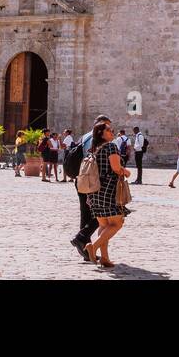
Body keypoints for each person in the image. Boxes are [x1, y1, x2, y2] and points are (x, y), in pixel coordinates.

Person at [84, 121, 130, 269]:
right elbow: (116, 168)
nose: (112, 132)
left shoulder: (95, 148)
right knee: (117, 223)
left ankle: (104, 258)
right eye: (109, 130)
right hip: (108, 190)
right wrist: (126, 172)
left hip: (94, 190)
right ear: (101, 133)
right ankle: (94, 246)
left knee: (104, 224)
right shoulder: (111, 146)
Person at [68, 114, 111, 260]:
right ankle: (82, 237)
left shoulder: (84, 137)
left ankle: (85, 250)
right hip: (93, 181)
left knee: (86, 214)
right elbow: (98, 161)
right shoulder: (96, 139)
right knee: (103, 212)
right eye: (107, 126)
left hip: (81, 180)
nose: (109, 130)